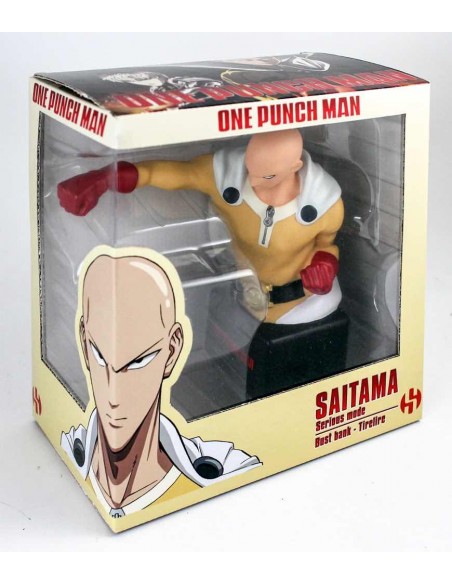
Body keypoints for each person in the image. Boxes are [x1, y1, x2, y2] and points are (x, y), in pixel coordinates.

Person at [58, 129, 343, 325]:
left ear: (295, 166)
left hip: (304, 309)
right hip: (243, 302)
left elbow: (327, 244)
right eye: (250, 169)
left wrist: (325, 265)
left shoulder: (326, 204)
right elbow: (166, 172)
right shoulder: (226, 175)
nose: (253, 182)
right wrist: (104, 178)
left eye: (266, 176)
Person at [61, 249, 261, 519]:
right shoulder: (67, 440)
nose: (113, 394)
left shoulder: (226, 468)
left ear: (172, 349)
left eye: (138, 361)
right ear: (84, 342)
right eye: (99, 355)